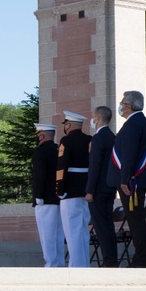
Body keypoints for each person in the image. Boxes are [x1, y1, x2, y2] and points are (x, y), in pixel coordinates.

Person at [107, 90, 146, 267]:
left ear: (130, 106)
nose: (121, 106)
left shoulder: (134, 124)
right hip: (133, 180)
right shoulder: (137, 122)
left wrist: (125, 178)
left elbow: (129, 154)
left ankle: (140, 260)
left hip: (132, 182)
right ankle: (140, 258)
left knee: (136, 221)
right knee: (135, 220)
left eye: (123, 103)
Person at [56, 110, 92, 267]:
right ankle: (84, 264)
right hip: (86, 189)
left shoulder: (66, 141)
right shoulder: (90, 140)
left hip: (70, 190)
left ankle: (76, 266)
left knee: (72, 232)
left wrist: (60, 189)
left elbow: (61, 167)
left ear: (68, 124)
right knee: (83, 230)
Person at [85, 106, 118, 267]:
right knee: (108, 224)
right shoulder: (112, 136)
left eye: (92, 116)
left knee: (101, 225)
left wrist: (90, 190)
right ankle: (111, 258)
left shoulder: (98, 138)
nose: (91, 120)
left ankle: (109, 260)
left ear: (97, 118)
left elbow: (95, 166)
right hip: (110, 187)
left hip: (98, 189)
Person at [32, 123, 65, 267]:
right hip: (59, 198)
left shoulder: (41, 151)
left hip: (44, 199)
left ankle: (51, 263)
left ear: (42, 135)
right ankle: (59, 262)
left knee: (47, 234)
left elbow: (40, 175)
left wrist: (38, 195)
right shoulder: (59, 150)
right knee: (58, 234)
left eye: (38, 135)